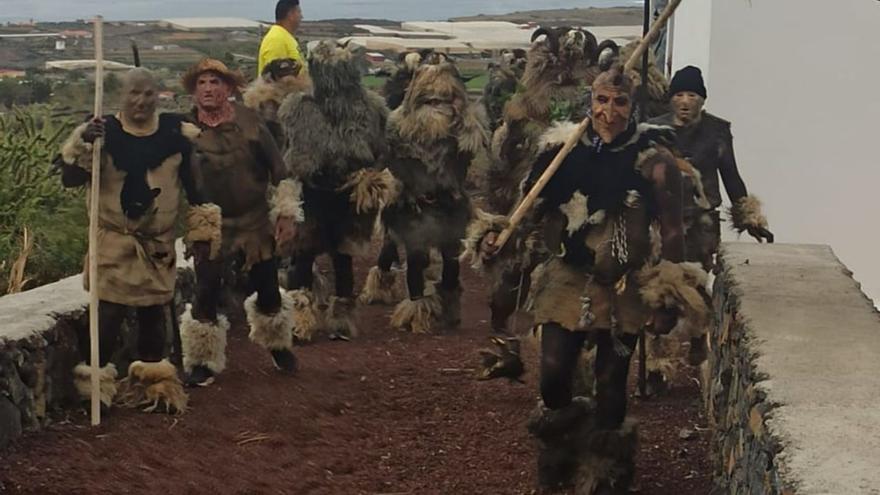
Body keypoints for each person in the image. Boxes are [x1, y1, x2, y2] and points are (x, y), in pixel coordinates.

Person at [473, 64, 709, 493]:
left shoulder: (654, 161)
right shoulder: (560, 154)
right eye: (602, 101)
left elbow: (673, 231)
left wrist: (667, 296)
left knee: (610, 380)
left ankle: (606, 473)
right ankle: (561, 451)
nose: (609, 112)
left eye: (620, 103)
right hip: (567, 275)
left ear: (633, 106)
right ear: (590, 101)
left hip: (626, 283)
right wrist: (495, 238)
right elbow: (527, 211)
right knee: (553, 373)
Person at [56, 68, 214, 412]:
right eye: (133, 94)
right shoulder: (102, 132)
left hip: (157, 246)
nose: (140, 101)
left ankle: (154, 389)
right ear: (120, 96)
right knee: (108, 315)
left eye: (147, 93)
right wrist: (84, 139)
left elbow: (196, 188)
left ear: (158, 95)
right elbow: (69, 178)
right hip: (114, 241)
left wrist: (203, 233)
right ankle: (93, 393)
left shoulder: (176, 134)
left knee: (153, 315)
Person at [178, 59, 303, 385]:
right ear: (194, 90)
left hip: (253, 221)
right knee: (205, 288)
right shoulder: (180, 131)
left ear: (229, 89)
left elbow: (281, 173)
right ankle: (203, 360)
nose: (208, 88)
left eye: (215, 83)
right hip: (208, 223)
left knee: (267, 289)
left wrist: (286, 214)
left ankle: (277, 343)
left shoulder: (251, 124)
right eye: (202, 83)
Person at [649, 65, 773, 366]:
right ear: (671, 99)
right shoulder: (652, 130)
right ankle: (658, 358)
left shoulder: (717, 131)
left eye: (692, 95)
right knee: (659, 287)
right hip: (662, 220)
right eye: (679, 94)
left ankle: (695, 335)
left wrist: (750, 218)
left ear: (702, 99)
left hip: (701, 221)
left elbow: (731, 176)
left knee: (694, 281)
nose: (685, 101)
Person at [278, 41, 391, 342]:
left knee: (343, 255)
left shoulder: (369, 109)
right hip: (312, 192)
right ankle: (300, 319)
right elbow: (288, 153)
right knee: (302, 255)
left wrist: (369, 177)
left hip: (348, 194)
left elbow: (382, 149)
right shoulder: (299, 109)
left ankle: (341, 319)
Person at [380, 54, 489, 333]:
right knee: (418, 255)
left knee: (450, 256)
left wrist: (451, 181)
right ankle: (419, 312)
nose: (436, 106)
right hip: (417, 200)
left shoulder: (463, 123)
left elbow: (466, 155)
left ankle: (447, 306)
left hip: (446, 199)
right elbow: (392, 156)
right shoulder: (402, 122)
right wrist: (411, 182)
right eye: (430, 99)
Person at [258, 0, 305, 77]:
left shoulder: (285, 36)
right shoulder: (276, 39)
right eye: (299, 12)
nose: (302, 17)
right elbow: (275, 79)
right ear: (291, 15)